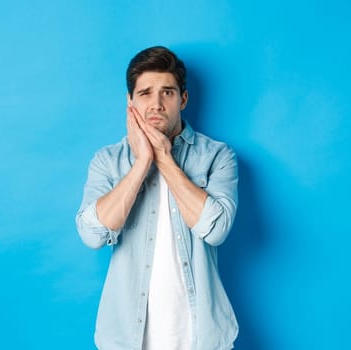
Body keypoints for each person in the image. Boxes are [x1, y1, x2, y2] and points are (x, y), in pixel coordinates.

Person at [75, 46, 239, 350]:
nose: (157, 104)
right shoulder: (108, 160)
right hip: (126, 339)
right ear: (130, 101)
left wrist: (163, 157)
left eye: (167, 92)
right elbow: (92, 234)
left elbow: (216, 230)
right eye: (146, 93)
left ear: (183, 99)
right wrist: (141, 164)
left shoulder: (217, 156)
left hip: (200, 338)